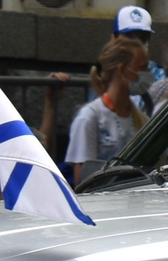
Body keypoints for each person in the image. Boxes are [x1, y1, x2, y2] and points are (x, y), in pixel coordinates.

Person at [64, 36, 150, 176]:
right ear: (122, 70)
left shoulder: (140, 118)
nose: (148, 74)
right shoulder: (89, 117)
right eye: (142, 68)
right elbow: (83, 177)